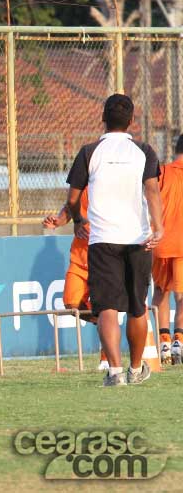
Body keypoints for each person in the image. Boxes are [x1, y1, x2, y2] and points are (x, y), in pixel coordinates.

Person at [66, 94, 163, 386]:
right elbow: (152, 191)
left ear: (103, 118)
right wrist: (157, 227)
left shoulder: (89, 151)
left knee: (106, 306)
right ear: (132, 121)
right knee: (137, 306)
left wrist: (78, 221)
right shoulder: (144, 151)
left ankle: (115, 372)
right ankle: (135, 369)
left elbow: (72, 198)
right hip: (138, 237)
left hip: (102, 238)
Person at [43, 189, 109, 371]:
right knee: (72, 305)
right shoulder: (81, 184)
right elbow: (70, 207)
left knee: (104, 307)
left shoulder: (110, 179)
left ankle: (106, 357)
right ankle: (106, 324)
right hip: (79, 260)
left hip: (104, 259)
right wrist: (58, 220)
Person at [151, 135, 183, 364]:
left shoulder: (162, 172)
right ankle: (179, 341)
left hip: (160, 242)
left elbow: (149, 200)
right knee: (182, 295)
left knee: (161, 291)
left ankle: (163, 342)